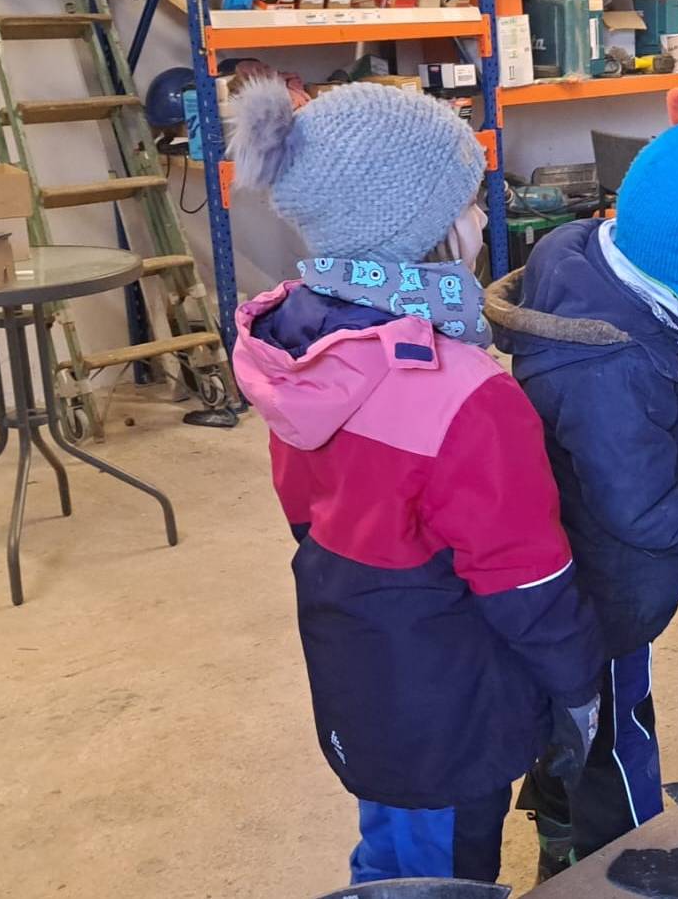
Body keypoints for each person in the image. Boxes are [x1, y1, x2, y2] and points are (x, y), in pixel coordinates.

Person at [225, 79, 603, 886]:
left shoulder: (296, 355)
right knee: (448, 872)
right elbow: (526, 578)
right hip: (454, 704)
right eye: (467, 204)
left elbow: (304, 510)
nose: (479, 221)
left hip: (358, 667)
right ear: (416, 232)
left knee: (390, 842)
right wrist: (577, 685)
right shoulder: (469, 396)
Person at [486, 90, 678, 877]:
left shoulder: (600, 264)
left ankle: (554, 834)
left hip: (577, 562)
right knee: (619, 738)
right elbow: (640, 505)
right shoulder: (612, 369)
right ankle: (624, 866)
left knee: (569, 720)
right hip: (602, 590)